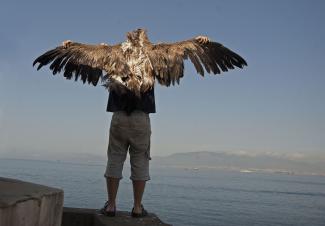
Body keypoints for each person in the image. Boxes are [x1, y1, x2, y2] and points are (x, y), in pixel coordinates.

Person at [64, 35, 211, 218]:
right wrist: (198, 42)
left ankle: (110, 206)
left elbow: (83, 53)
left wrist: (72, 46)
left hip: (118, 118)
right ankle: (138, 208)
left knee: (115, 159)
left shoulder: (111, 53)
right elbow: (187, 48)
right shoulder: (155, 53)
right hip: (141, 119)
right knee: (140, 161)